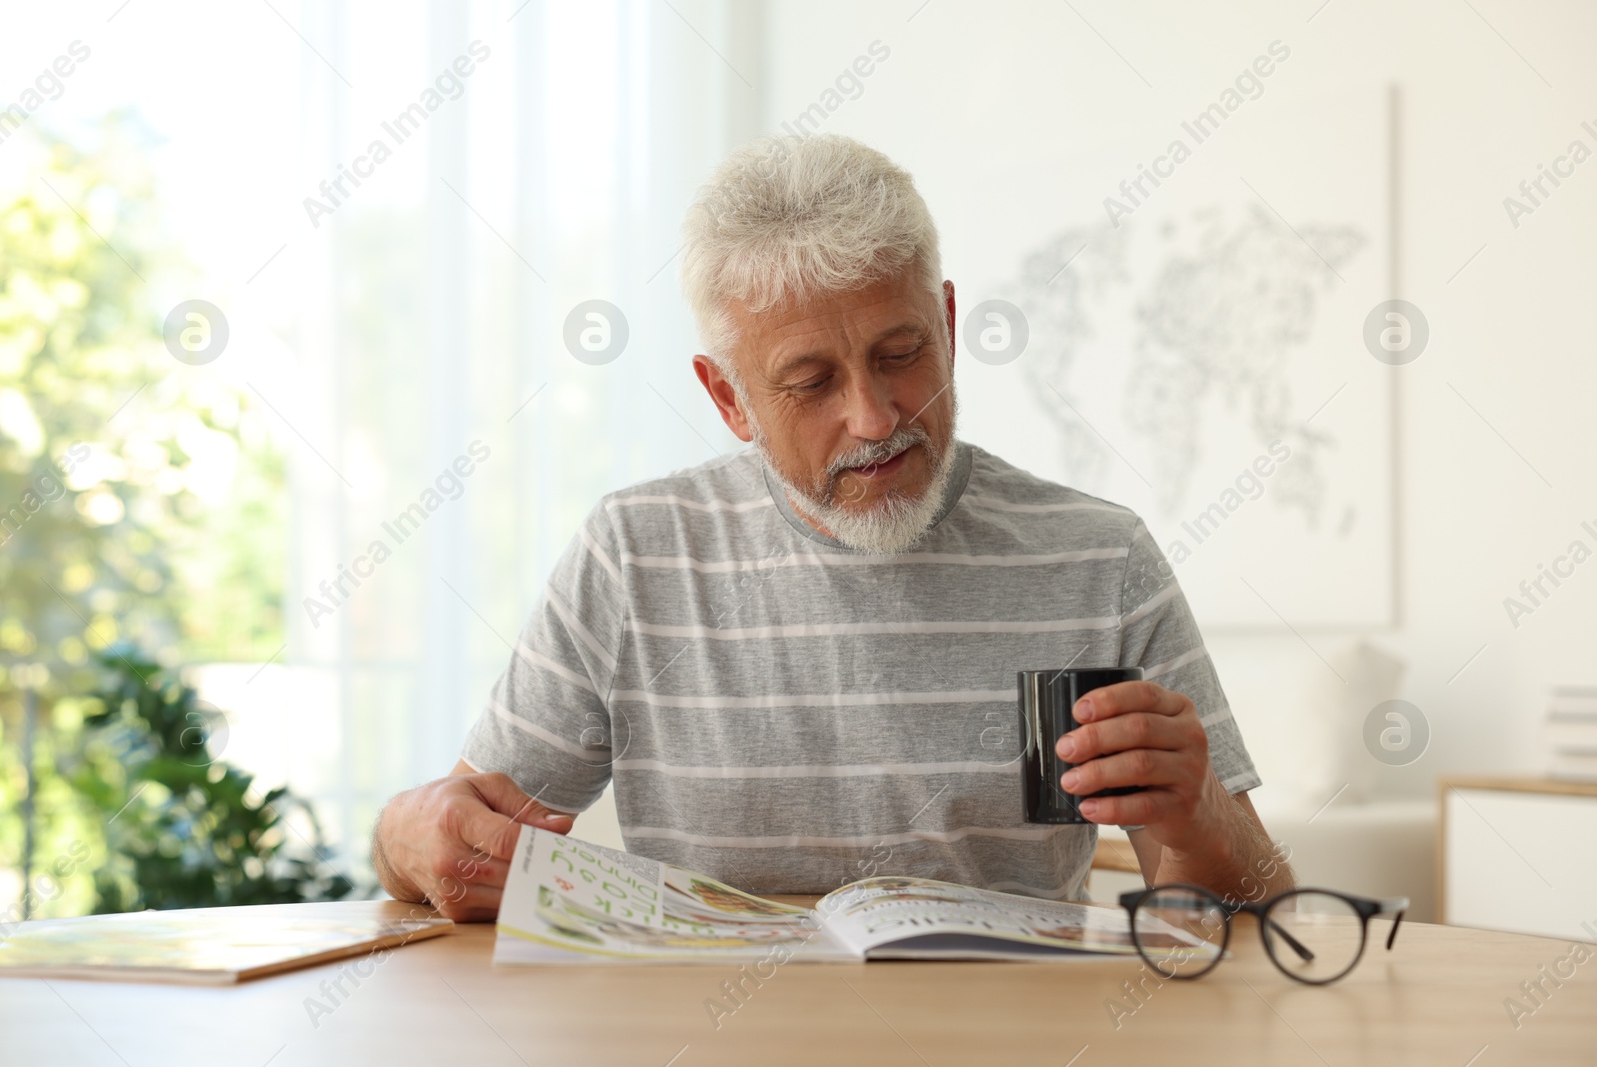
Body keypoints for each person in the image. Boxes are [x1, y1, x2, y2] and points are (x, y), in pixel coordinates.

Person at [373, 133, 1294, 921]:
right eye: (811, 382)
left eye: (902, 354)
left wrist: (1197, 813)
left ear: (948, 321)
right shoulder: (635, 556)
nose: (875, 416)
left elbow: (1260, 902)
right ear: (728, 396)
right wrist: (403, 834)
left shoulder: (1099, 558)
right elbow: (452, 847)